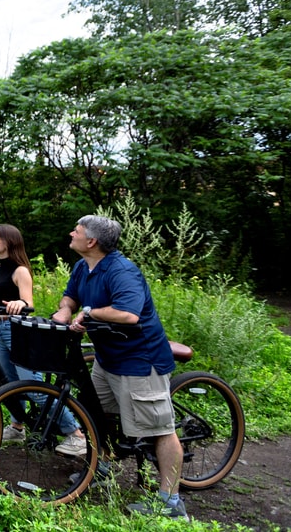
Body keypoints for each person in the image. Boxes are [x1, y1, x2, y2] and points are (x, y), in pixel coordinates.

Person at [52, 215, 186, 520]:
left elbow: (128, 314)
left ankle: (171, 503)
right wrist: (65, 310)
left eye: (77, 230)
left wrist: (87, 313)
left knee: (160, 430)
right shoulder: (83, 266)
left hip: (139, 361)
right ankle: (103, 466)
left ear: (92, 241)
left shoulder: (122, 271)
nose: (71, 232)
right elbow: (70, 296)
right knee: (94, 413)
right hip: (107, 359)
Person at [0, 224, 87, 456]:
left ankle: (76, 434)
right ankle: (17, 427)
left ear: (8, 241)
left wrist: (20, 304)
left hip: (17, 330)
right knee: (9, 383)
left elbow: (28, 302)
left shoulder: (20, 270)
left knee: (34, 387)